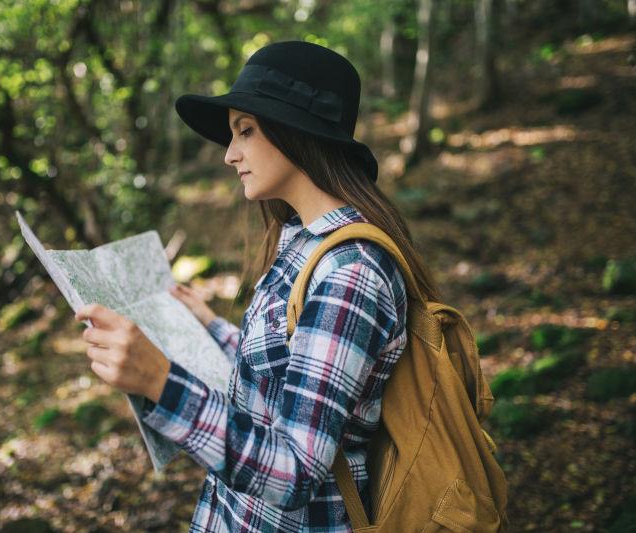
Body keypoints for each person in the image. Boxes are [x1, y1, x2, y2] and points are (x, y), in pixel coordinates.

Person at [75, 40, 443, 532]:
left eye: (244, 131)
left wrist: (160, 383)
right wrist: (209, 327)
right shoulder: (304, 245)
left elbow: (294, 471)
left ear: (295, 132)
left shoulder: (351, 273)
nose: (229, 155)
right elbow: (283, 379)